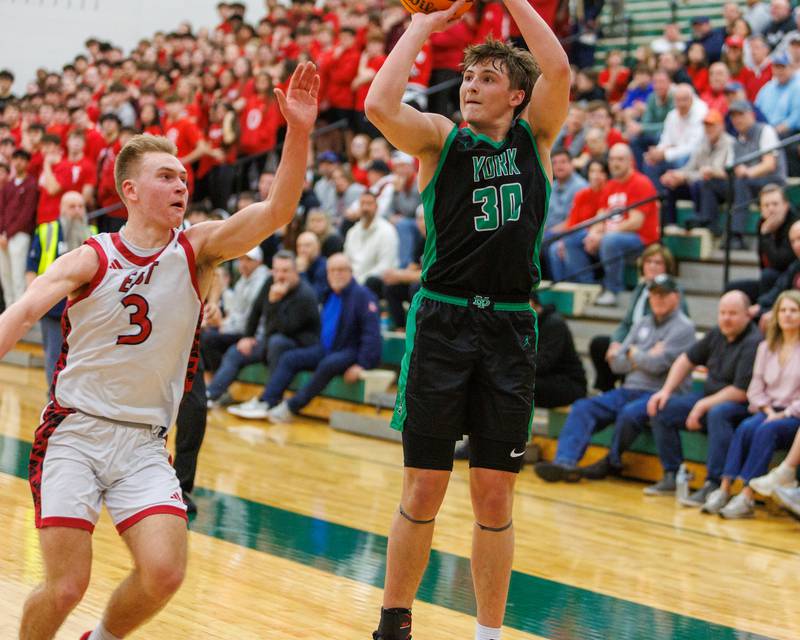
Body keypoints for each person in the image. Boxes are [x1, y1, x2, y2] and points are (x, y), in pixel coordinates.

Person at [0, 61, 318, 640]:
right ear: (130, 191)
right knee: (66, 585)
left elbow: (276, 213)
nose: (181, 185)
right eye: (167, 177)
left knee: (165, 573)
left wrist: (297, 131)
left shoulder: (197, 250)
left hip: (145, 440)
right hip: (75, 430)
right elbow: (22, 311)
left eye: (182, 177)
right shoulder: (91, 257)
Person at [364, 0, 570, 636]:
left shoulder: (535, 140)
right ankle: (394, 623)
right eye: (467, 77)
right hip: (444, 323)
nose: (470, 86)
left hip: (510, 327)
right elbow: (378, 106)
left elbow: (557, 69)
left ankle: (488, 632)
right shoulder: (439, 139)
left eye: (485, 79)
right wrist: (424, 26)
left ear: (515, 95)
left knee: (494, 494)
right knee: (424, 487)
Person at [534, 274, 696, 482]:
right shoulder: (642, 323)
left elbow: (656, 366)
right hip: (629, 389)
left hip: (659, 394)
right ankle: (565, 463)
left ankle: (611, 462)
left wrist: (634, 353)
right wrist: (644, 355)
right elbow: (616, 363)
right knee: (584, 407)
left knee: (629, 413)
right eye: (654, 295)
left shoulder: (684, 328)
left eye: (664, 295)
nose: (658, 299)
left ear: (676, 297)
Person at [230, 253, 381, 422]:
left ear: (351, 272)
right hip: (325, 348)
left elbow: (372, 335)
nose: (336, 274)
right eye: (332, 270)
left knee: (328, 364)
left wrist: (362, 364)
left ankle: (290, 407)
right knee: (289, 358)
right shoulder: (328, 293)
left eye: (341, 270)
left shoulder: (363, 296)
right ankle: (266, 401)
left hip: (349, 350)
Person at [643, 291, 762, 500]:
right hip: (709, 398)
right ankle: (672, 473)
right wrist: (666, 391)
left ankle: (714, 483)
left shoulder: (754, 342)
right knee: (663, 407)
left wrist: (702, 406)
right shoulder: (717, 333)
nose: (726, 318)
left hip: (740, 405)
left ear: (747, 315)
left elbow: (741, 391)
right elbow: (686, 360)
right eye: (722, 312)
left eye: (733, 313)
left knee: (718, 413)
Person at [701, 290, 800, 518]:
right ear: (775, 315)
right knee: (746, 427)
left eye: (794, 310)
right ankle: (724, 489)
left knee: (765, 430)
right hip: (767, 408)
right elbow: (755, 389)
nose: (788, 315)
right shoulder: (766, 347)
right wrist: (767, 410)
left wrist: (783, 413)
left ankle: (746, 496)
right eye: (783, 310)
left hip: (792, 415)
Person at [209, 250, 320, 408]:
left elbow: (283, 328)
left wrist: (275, 302)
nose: (280, 275)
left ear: (296, 271)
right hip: (271, 340)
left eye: (285, 271)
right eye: (277, 270)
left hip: (300, 344)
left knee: (276, 344)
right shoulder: (270, 282)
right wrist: (247, 336)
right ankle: (212, 394)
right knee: (237, 351)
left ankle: (268, 401)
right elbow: (255, 311)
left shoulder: (305, 295)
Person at [561, 143, 660, 307]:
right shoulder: (610, 186)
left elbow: (636, 222)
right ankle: (589, 287)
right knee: (572, 238)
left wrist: (603, 235)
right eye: (612, 159)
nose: (615, 163)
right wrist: (594, 234)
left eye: (620, 159)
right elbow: (601, 216)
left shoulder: (640, 183)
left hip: (641, 240)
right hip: (612, 235)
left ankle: (614, 290)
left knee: (610, 240)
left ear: (630, 161)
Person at [587, 244, 685, 392]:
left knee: (629, 355)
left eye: (658, 263)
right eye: (649, 261)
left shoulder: (672, 293)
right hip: (632, 340)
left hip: (651, 344)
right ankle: (606, 391)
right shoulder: (640, 289)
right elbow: (626, 323)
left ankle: (627, 388)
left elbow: (672, 326)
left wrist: (632, 348)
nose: (652, 266)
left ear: (667, 267)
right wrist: (616, 342)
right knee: (600, 345)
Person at [25, 191, 96, 387]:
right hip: (53, 309)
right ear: (61, 209)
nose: (77, 211)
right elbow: (31, 269)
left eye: (81, 206)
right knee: (54, 359)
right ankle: (53, 403)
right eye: (72, 207)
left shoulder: (94, 233)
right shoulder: (46, 231)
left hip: (84, 313)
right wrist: (35, 301)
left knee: (82, 361)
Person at [659, 108, 734, 227]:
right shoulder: (703, 143)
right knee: (671, 187)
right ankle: (670, 225)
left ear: (721, 126)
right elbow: (690, 167)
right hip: (700, 181)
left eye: (712, 125)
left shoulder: (729, 143)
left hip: (720, 187)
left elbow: (713, 172)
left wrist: (684, 177)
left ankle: (702, 221)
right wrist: (674, 174)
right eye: (706, 126)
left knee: (700, 183)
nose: (708, 129)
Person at [199, 246, 269, 373]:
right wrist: (224, 325)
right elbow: (236, 314)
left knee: (209, 339)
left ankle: (217, 378)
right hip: (239, 328)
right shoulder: (241, 282)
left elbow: (250, 318)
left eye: (248, 260)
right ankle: (216, 378)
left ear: (259, 262)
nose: (243, 263)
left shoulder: (263, 282)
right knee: (204, 334)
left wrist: (224, 326)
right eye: (241, 259)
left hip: (253, 334)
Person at [727, 184, 800, 302]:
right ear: (761, 209)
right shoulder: (762, 223)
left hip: (789, 280)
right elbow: (762, 260)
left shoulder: (795, 227)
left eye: (775, 204)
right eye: (766, 205)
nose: (771, 209)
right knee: (732, 289)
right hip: (770, 280)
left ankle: (762, 311)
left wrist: (766, 235)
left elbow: (781, 263)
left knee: (768, 276)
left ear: (786, 205)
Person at [343, 190, 399, 299]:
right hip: (352, 282)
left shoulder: (387, 231)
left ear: (376, 207)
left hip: (374, 282)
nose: (365, 208)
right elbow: (346, 260)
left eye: (369, 204)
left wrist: (358, 281)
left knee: (372, 282)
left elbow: (385, 266)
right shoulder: (352, 232)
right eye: (362, 204)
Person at [0, 148, 38, 306]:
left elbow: (26, 214)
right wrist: (2, 233)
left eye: (22, 159)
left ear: (27, 163)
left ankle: (19, 315)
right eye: (16, 158)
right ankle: (10, 313)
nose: (18, 162)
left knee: (17, 276)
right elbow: (1, 210)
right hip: (3, 236)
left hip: (19, 235)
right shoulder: (8, 186)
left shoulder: (31, 184)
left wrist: (7, 234)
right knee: (5, 276)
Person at [296, 230, 328, 300]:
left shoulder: (324, 267)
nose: (302, 250)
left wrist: (302, 273)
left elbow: (313, 297)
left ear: (318, 247)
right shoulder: (295, 265)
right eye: (299, 246)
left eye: (307, 245)